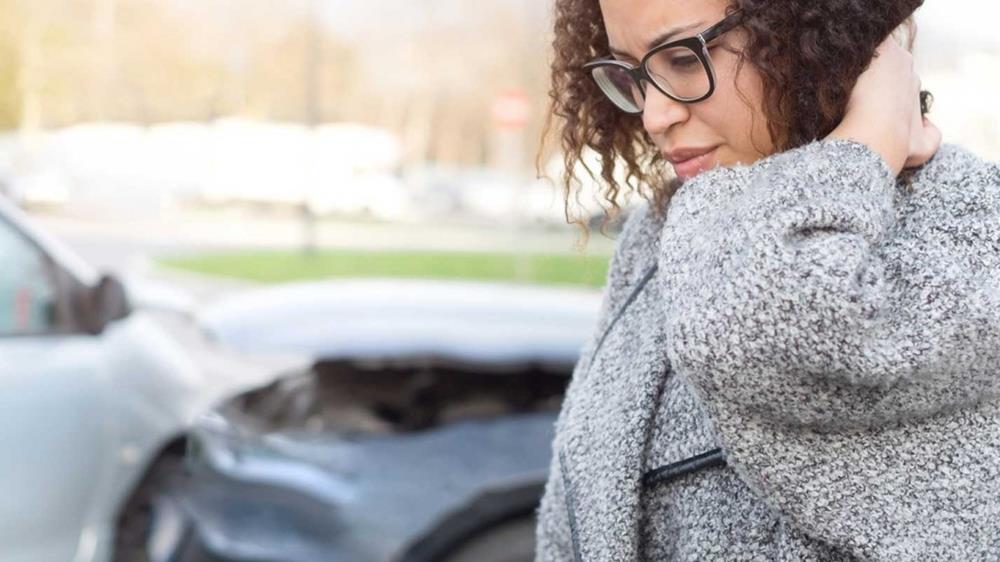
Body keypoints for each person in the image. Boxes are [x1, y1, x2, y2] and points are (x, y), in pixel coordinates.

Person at [534, 0, 1000, 560]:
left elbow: (771, 326)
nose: (655, 117)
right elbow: (576, 506)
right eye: (631, 73)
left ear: (806, 31)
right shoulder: (664, 229)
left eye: (683, 58)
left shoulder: (965, 218)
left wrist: (867, 138)